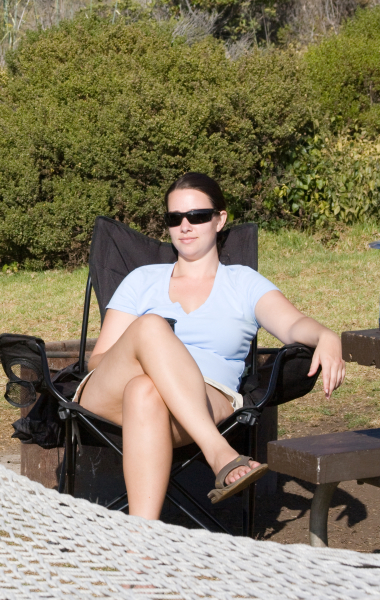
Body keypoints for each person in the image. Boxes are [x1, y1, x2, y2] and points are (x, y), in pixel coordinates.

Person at [76, 172, 345, 520]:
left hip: (208, 395)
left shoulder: (242, 283)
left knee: (146, 392)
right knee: (151, 328)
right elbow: (98, 359)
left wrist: (326, 335)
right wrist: (151, 352)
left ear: (220, 219)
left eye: (198, 216)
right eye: (175, 219)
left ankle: (140, 553)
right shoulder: (141, 280)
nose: (185, 226)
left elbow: (293, 324)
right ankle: (219, 451)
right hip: (107, 395)